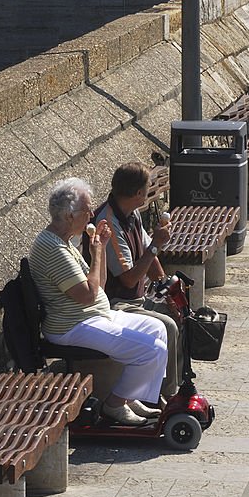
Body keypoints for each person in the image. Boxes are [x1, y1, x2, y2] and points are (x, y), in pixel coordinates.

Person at [28, 178, 168, 427]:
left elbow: (99, 285)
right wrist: (96, 255)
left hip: (91, 315)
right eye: (87, 210)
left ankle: (130, 395)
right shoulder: (53, 249)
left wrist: (99, 249)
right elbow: (87, 295)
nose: (92, 214)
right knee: (152, 350)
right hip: (72, 326)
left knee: (157, 329)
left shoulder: (64, 242)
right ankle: (114, 404)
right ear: (70, 216)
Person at [92, 162, 181, 401]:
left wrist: (166, 288)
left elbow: (146, 253)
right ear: (139, 193)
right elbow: (129, 279)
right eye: (147, 187)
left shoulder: (132, 213)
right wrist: (156, 245)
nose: (148, 190)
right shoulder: (109, 223)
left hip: (136, 298)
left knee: (180, 315)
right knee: (168, 326)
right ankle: (167, 396)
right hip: (117, 303)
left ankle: (157, 391)